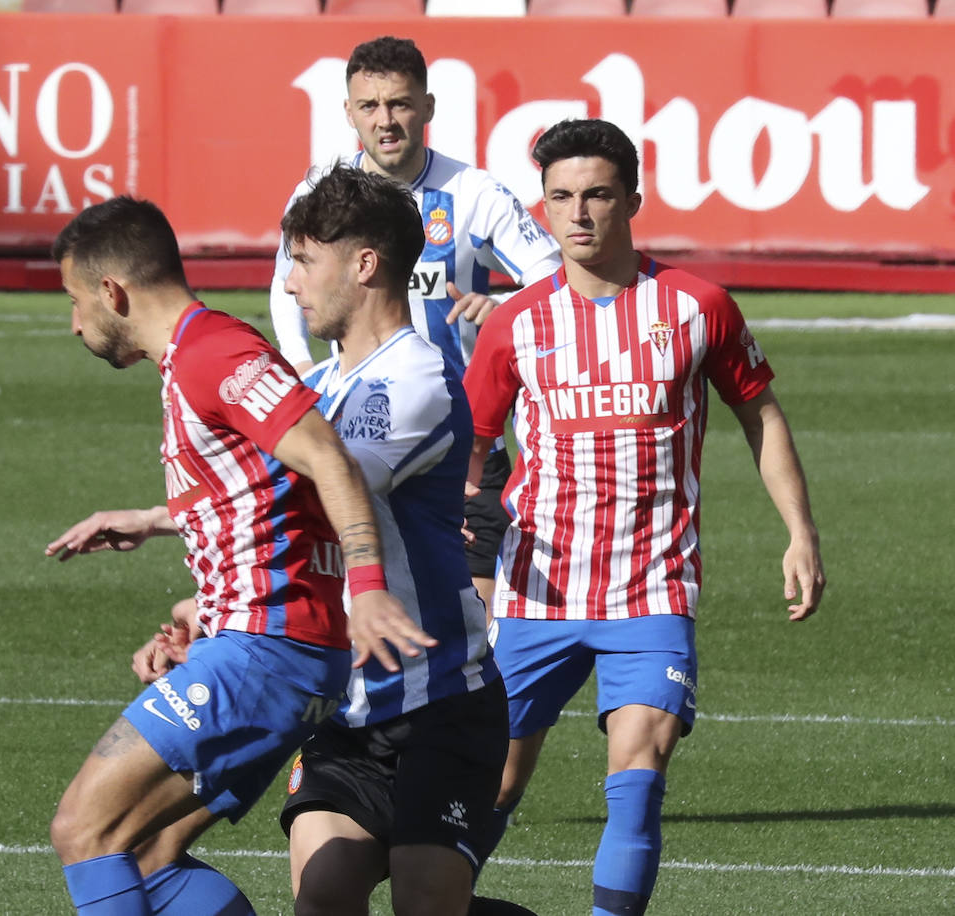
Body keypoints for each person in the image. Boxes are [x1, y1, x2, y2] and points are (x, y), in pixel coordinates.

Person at [462, 119, 827, 916]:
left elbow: (759, 413)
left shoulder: (698, 307)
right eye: (561, 197)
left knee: (640, 767)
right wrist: (458, 556)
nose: (579, 213)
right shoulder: (514, 324)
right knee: (494, 775)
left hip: (651, 589)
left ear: (632, 197)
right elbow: (471, 449)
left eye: (596, 194)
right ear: (544, 206)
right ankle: (438, 903)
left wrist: (800, 530)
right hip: (537, 589)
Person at [44, 195, 434, 915]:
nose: (74, 322)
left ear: (112, 292)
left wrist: (369, 584)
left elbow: (329, 459)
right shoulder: (196, 359)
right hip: (267, 646)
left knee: (84, 830)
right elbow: (268, 485)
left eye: (73, 300)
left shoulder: (214, 352)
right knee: (150, 856)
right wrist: (163, 529)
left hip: (268, 652)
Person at [267, 35, 565, 611]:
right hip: (356, 427)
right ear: (348, 113)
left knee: (468, 615)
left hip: (462, 438)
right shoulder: (320, 194)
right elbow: (286, 288)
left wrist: (503, 308)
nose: (386, 121)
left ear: (427, 107)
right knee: (352, 605)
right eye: (370, 106)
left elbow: (553, 280)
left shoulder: (473, 193)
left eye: (400, 104)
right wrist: (303, 369)